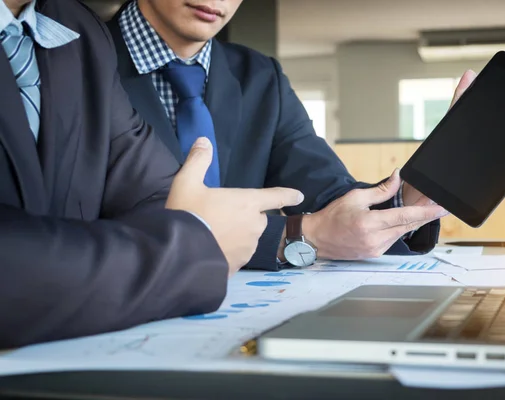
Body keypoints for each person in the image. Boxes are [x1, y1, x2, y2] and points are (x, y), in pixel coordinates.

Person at [108, 0, 505, 270]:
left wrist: (426, 185)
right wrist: (299, 235)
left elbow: (331, 191)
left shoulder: (259, 76)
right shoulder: (72, 56)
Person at [0, 0, 303, 349]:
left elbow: (158, 195)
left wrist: (195, 235)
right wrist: (188, 248)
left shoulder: (76, 26)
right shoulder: (104, 37)